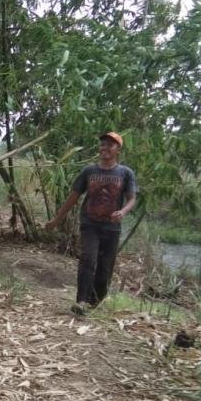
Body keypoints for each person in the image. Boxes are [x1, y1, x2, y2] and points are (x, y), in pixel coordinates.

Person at [46, 132, 137, 315]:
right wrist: (57, 220)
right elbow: (73, 197)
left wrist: (123, 211)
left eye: (110, 145)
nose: (105, 148)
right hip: (90, 223)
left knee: (106, 265)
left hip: (112, 227)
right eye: (103, 144)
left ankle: (96, 302)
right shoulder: (89, 171)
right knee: (88, 259)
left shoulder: (125, 173)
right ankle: (81, 301)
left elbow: (132, 199)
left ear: (118, 149)